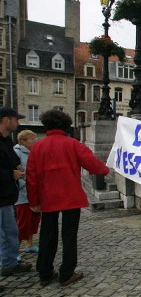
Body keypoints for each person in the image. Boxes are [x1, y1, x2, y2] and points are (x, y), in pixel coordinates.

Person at [26, 109, 109, 287]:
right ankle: (66, 273)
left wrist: (33, 201)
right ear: (66, 125)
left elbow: (31, 177)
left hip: (48, 198)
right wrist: (105, 169)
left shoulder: (37, 147)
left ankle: (45, 272)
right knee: (69, 236)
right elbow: (96, 166)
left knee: (47, 235)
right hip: (71, 197)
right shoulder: (73, 144)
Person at [0, 107, 32, 277]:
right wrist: (10, 174)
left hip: (7, 196)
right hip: (3, 194)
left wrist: (16, 167)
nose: (17, 122)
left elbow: (12, 160)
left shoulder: (6, 141)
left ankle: (9, 264)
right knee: (2, 236)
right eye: (15, 119)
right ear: (6, 120)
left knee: (10, 233)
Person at [14, 130, 41, 254]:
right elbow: (16, 173)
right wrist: (24, 184)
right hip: (23, 195)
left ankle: (29, 244)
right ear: (23, 141)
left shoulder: (34, 153)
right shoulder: (16, 153)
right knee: (22, 223)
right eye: (32, 139)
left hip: (34, 194)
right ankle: (16, 250)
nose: (34, 141)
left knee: (33, 221)